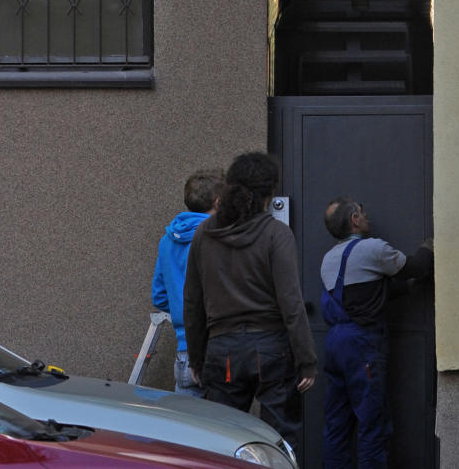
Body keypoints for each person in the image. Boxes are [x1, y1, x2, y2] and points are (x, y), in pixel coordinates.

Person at [183, 152, 315, 452]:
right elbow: (291, 303)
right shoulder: (275, 234)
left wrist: (196, 357)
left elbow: (192, 301)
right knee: (279, 438)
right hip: (272, 349)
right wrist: (306, 360)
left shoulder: (205, 234)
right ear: (268, 193)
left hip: (222, 348)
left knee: (221, 439)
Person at [319, 196, 433, 469]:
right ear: (354, 220)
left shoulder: (329, 259)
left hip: (335, 343)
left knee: (337, 425)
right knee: (373, 423)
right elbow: (414, 267)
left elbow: (364, 297)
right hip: (361, 345)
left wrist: (406, 289)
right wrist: (428, 248)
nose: (366, 215)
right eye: (362, 212)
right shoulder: (373, 249)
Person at [152, 169, 222, 395]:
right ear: (219, 202)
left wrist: (182, 310)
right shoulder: (217, 237)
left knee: (187, 425)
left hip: (185, 351)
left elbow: (159, 296)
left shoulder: (167, 240)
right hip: (216, 347)